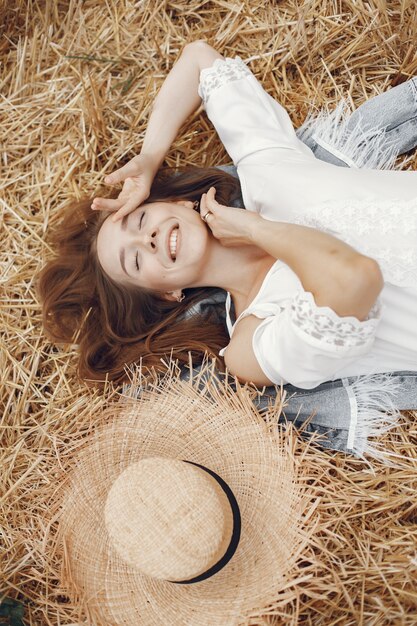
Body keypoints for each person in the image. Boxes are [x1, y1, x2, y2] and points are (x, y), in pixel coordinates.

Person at [39, 41, 417, 394]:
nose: (147, 239)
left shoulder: (266, 172)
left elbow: (198, 58)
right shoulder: (250, 344)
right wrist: (256, 229)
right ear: (166, 295)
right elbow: (355, 278)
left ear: (177, 203)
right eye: (135, 260)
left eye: (139, 222)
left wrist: (150, 158)